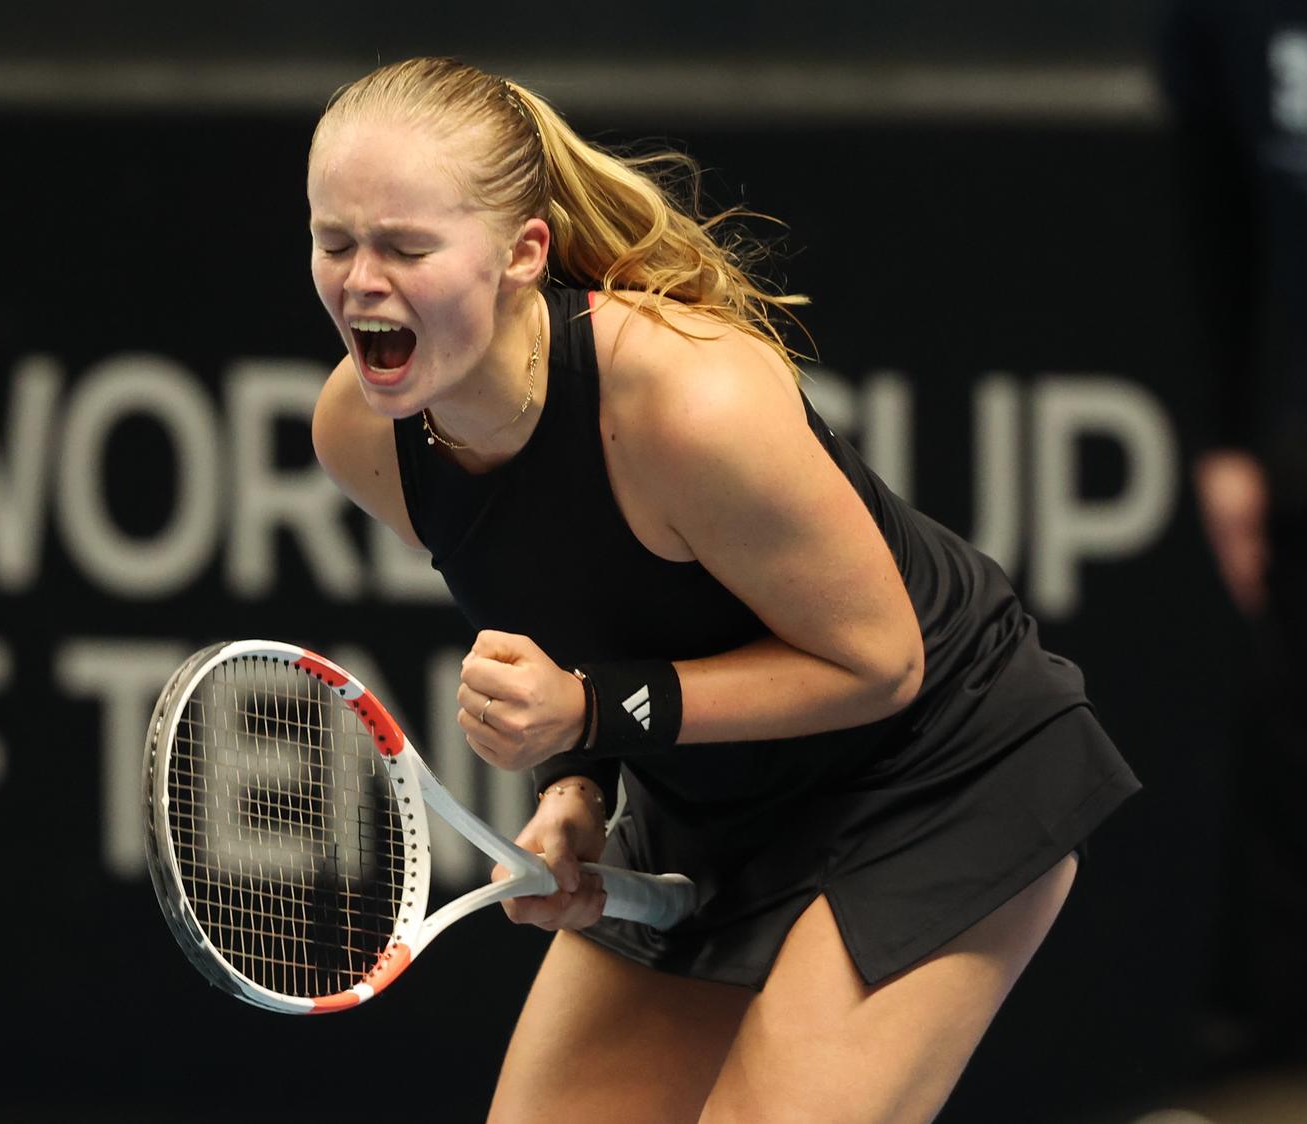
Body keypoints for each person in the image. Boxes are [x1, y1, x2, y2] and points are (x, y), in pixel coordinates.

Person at [307, 57, 1142, 1121]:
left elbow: (881, 661)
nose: (359, 281)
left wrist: (592, 710)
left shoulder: (689, 400)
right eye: (335, 242)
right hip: (710, 799)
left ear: (522, 254)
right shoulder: (362, 434)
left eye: (406, 248)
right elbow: (566, 605)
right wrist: (579, 787)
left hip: (939, 767)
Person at [1161, 0, 1307, 1074]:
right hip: (1304, 436)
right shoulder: (1229, 21)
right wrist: (1229, 434)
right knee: (1294, 744)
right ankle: (1274, 1057)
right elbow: (1216, 206)